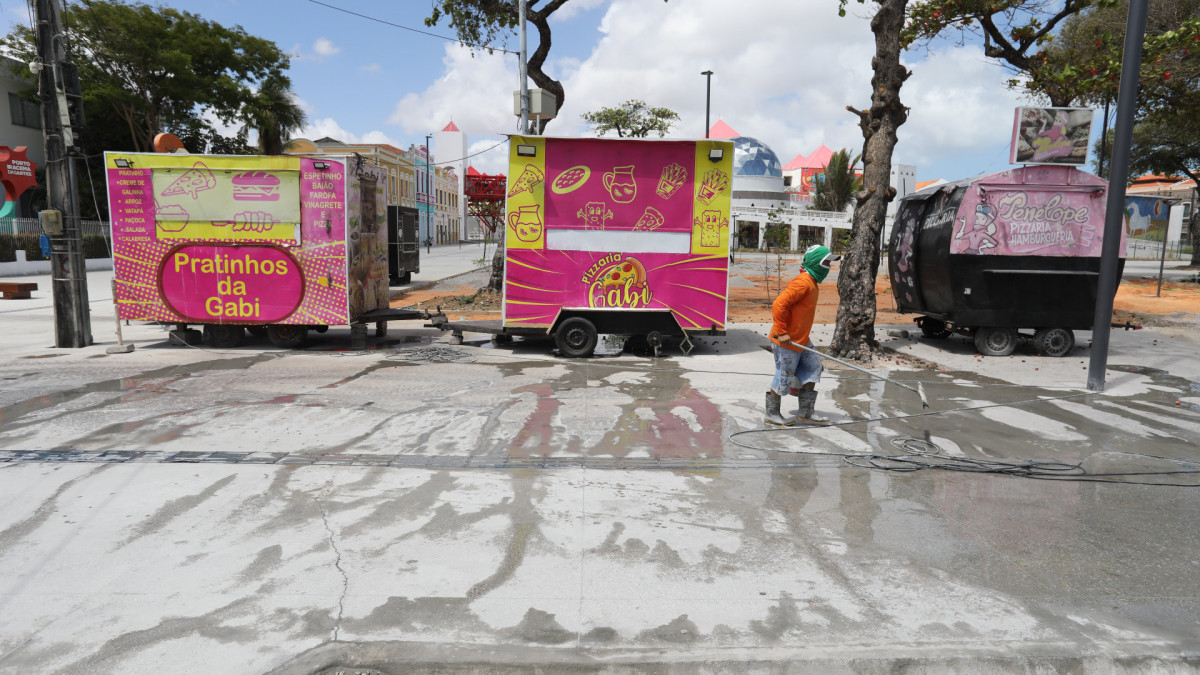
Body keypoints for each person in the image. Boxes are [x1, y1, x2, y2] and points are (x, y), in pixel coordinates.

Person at [765, 244, 840, 426]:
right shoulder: (803, 282)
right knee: (784, 376)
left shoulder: (812, 282)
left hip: (801, 340)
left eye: (830, 263)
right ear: (815, 262)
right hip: (786, 342)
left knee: (814, 367)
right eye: (826, 263)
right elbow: (779, 304)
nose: (829, 267)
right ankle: (771, 414)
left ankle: (806, 412)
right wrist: (782, 332)